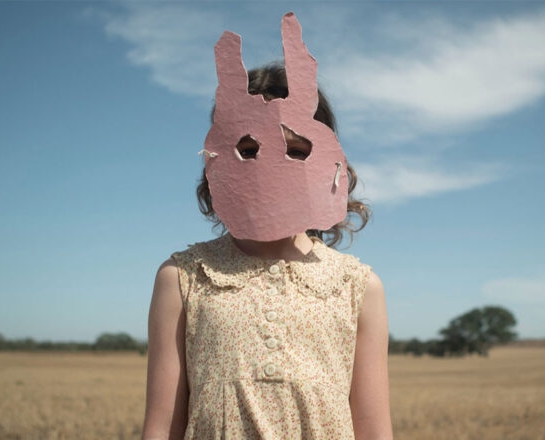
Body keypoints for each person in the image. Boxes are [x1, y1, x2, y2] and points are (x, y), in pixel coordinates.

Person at [142, 12, 392, 439]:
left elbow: (373, 427)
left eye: (297, 150)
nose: (275, 165)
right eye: (249, 149)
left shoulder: (357, 286)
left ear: (330, 164)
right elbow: (162, 427)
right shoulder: (183, 278)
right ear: (216, 163)